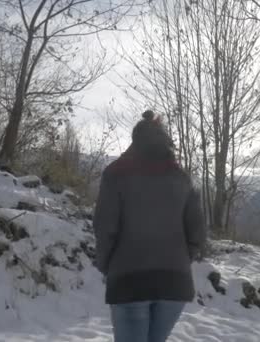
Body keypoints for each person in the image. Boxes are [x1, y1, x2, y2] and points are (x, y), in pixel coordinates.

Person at [93, 110, 206, 342]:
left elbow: (105, 228)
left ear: (135, 140)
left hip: (129, 280)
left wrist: (107, 265)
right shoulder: (182, 177)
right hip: (175, 284)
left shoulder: (115, 174)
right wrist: (182, 260)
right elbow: (197, 232)